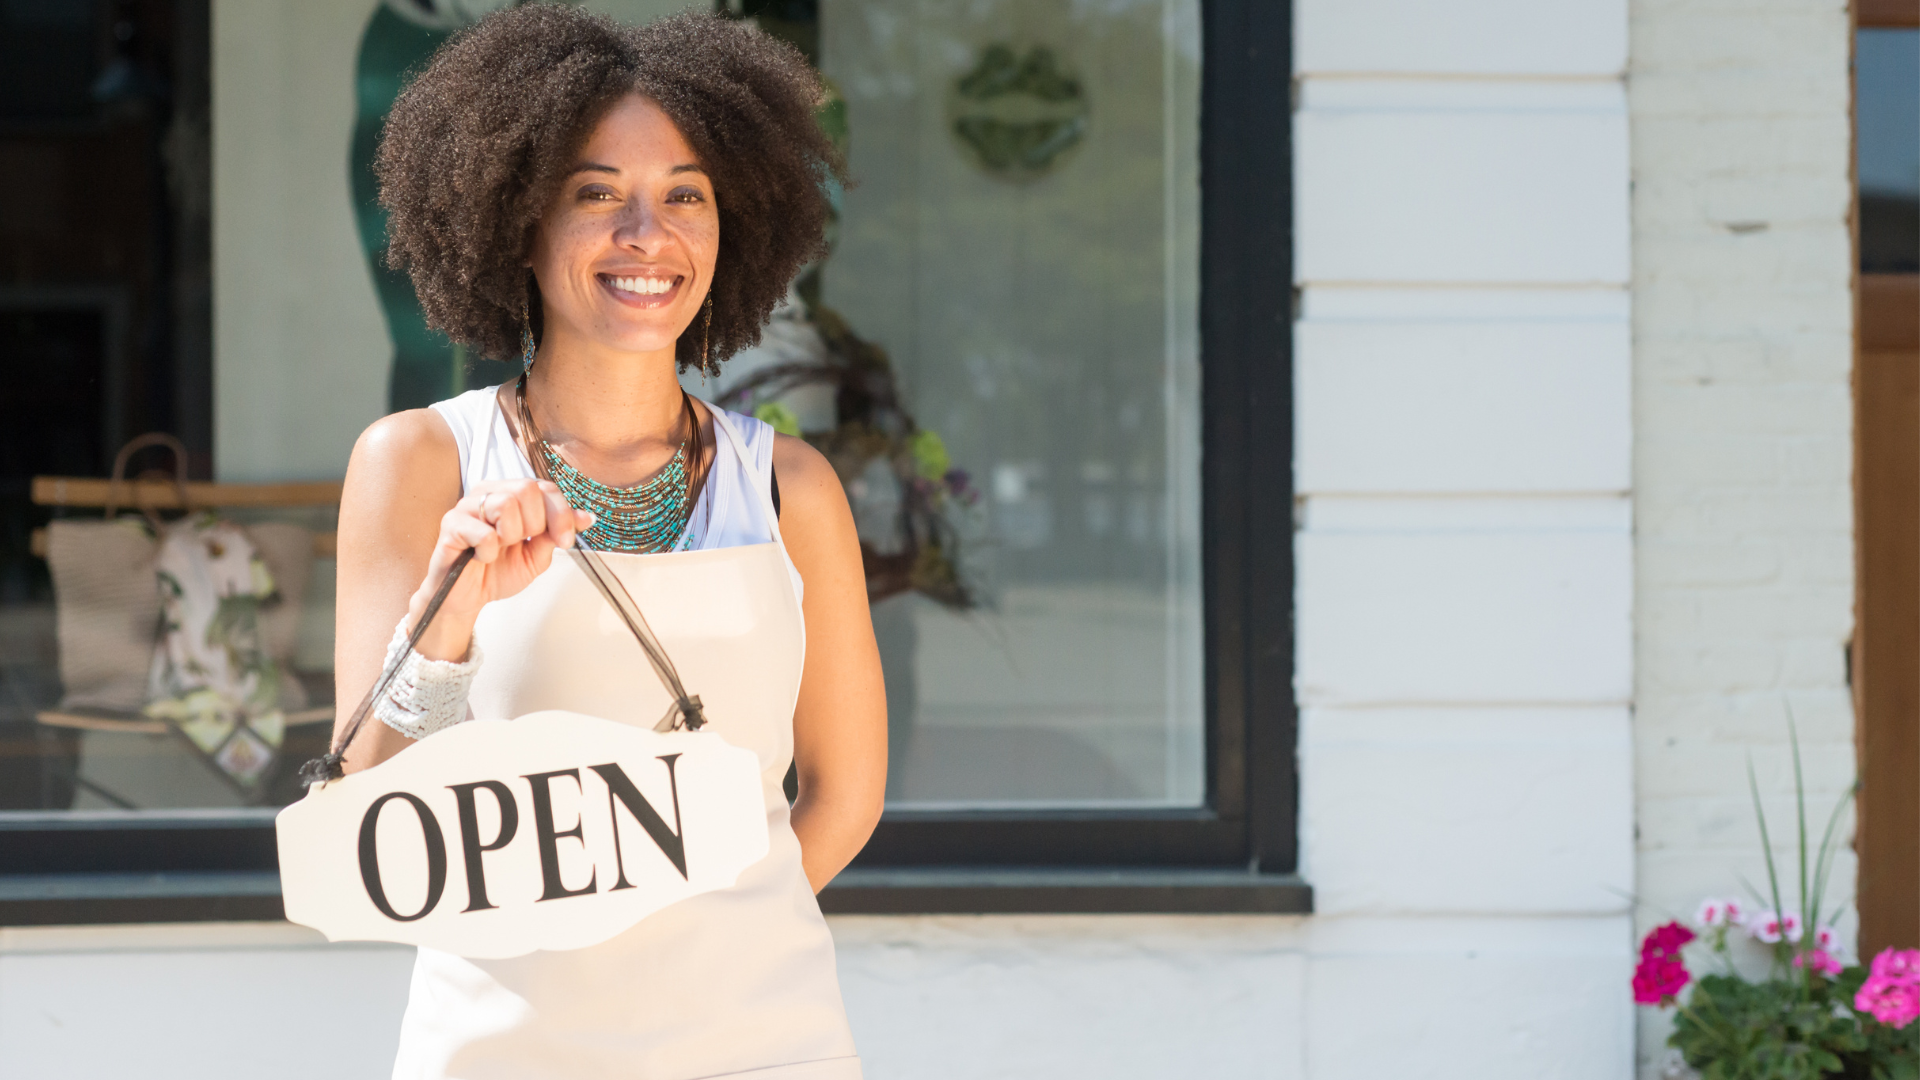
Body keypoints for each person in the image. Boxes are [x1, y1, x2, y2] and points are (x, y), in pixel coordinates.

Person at [329, 8, 885, 1078]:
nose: (647, 235)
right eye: (597, 195)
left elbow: (844, 795)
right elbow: (365, 813)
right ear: (517, 224)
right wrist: (445, 622)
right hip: (499, 1046)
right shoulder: (421, 464)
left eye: (685, 194)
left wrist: (682, 941)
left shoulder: (794, 490)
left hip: (760, 1041)